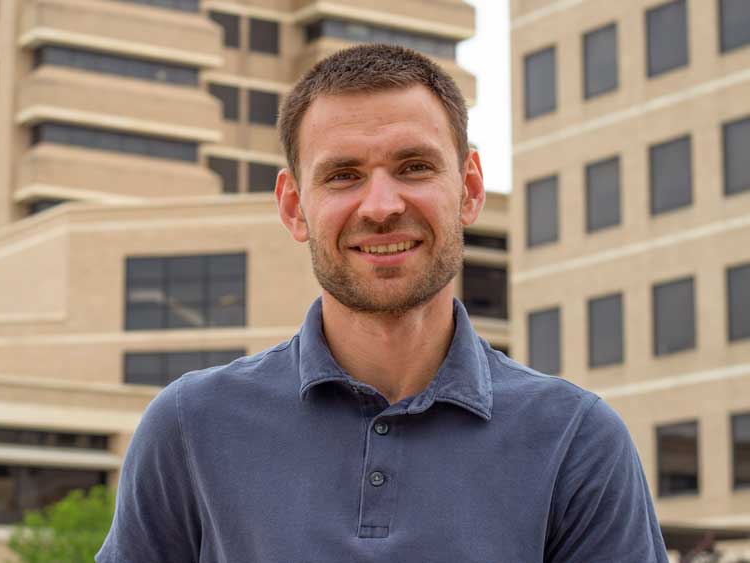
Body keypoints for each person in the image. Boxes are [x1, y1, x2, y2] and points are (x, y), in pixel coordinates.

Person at [97, 44, 668, 562]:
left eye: (414, 167)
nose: (381, 205)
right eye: (343, 176)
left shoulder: (577, 437)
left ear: (469, 189)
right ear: (294, 207)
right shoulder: (190, 426)